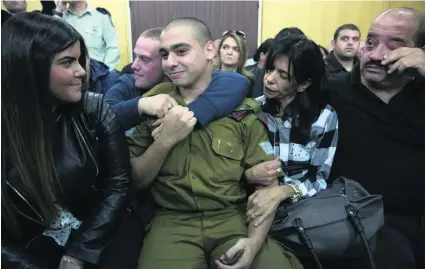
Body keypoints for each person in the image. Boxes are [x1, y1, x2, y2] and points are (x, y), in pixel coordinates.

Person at [128, 17, 303, 269]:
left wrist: (253, 245)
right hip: (173, 222)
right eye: (164, 54)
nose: (170, 62)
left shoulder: (241, 110)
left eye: (181, 51)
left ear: (210, 50)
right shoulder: (155, 102)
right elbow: (135, 181)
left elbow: (267, 186)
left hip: (232, 219)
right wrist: (164, 141)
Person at [1, 12, 131, 269]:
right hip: (31, 246)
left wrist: (80, 252)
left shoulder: (94, 109)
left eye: (80, 60)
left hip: (100, 231)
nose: (82, 72)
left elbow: (117, 185)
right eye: (67, 62)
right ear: (30, 67)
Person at [327, 8, 425, 269]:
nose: (376, 55)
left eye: (393, 46)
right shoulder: (333, 89)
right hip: (356, 223)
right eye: (370, 43)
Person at [236, 35, 338, 233]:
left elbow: (319, 179)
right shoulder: (252, 110)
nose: (269, 79)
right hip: (248, 207)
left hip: (299, 215)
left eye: (283, 75)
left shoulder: (324, 118)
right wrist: (247, 176)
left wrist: (281, 192)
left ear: (303, 84)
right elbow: (226, 168)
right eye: (270, 69)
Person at [105, 27, 251, 132]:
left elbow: (237, 81)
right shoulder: (127, 83)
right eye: (136, 56)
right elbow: (100, 118)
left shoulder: (187, 80)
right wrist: (141, 105)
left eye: (145, 59)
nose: (134, 65)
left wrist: (184, 117)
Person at [55, 0, 120, 70]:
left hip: (97, 74)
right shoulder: (59, 18)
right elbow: (51, 42)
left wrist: (105, 73)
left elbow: (113, 47)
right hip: (70, 73)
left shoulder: (101, 16)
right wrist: (59, 10)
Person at [215, 30, 255, 96]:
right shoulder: (208, 77)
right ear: (219, 50)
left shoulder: (248, 81)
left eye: (236, 49)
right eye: (225, 47)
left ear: (242, 54)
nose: (229, 52)